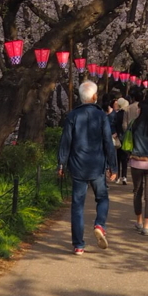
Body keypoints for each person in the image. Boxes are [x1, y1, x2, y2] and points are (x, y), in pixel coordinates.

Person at [57, 79, 118, 254]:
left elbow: (66, 142)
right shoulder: (101, 116)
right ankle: (100, 224)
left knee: (77, 205)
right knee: (102, 198)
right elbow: (108, 142)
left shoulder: (72, 115)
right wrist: (112, 166)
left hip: (77, 166)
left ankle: (78, 245)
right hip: (97, 165)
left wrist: (61, 163)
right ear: (94, 96)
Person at [128, 97, 148, 234]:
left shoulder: (134, 123)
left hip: (136, 161)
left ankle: (139, 221)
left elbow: (128, 139)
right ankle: (147, 226)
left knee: (137, 192)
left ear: (141, 110)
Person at [114, 98, 131, 183]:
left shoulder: (117, 114)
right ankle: (124, 176)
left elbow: (115, 125)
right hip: (125, 137)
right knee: (124, 158)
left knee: (117, 157)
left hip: (118, 137)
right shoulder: (126, 113)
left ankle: (117, 177)